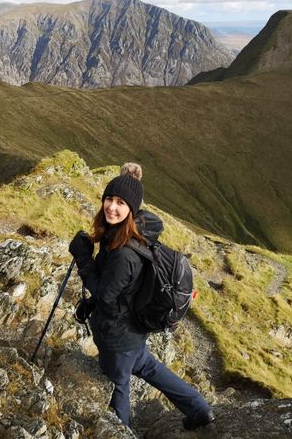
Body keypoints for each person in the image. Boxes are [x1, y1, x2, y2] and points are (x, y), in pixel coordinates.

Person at [69, 174, 214, 430]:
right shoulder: (128, 235)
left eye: (121, 203)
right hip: (131, 330)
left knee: (118, 386)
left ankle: (120, 432)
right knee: (146, 366)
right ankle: (198, 408)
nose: (112, 207)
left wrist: (83, 259)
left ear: (132, 209)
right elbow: (119, 290)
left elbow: (105, 293)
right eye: (109, 199)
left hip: (118, 336)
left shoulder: (124, 253)